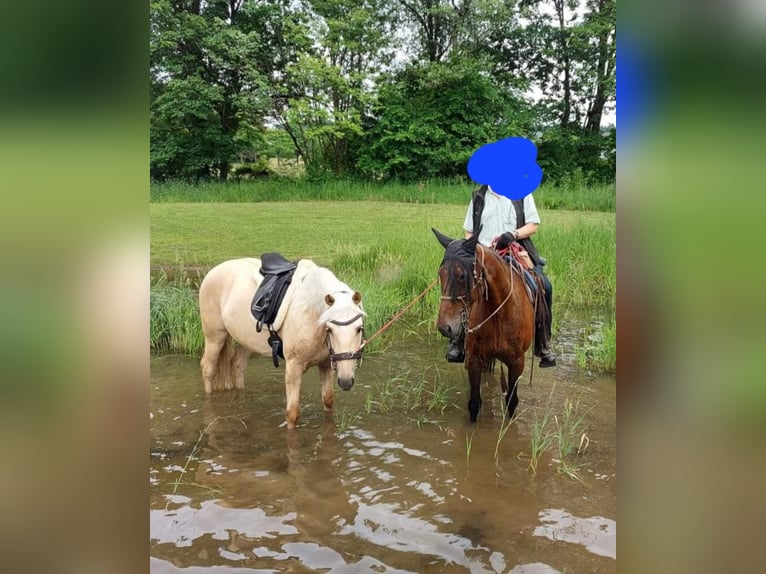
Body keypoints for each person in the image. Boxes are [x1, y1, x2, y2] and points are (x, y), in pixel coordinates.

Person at [461, 184, 557, 368]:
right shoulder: (478, 197)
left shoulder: (522, 192)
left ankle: (543, 344)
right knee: (462, 285)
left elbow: (533, 225)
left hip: (512, 252)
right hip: (483, 256)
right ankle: (458, 342)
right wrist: (474, 249)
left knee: (545, 287)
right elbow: (469, 232)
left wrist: (513, 234)